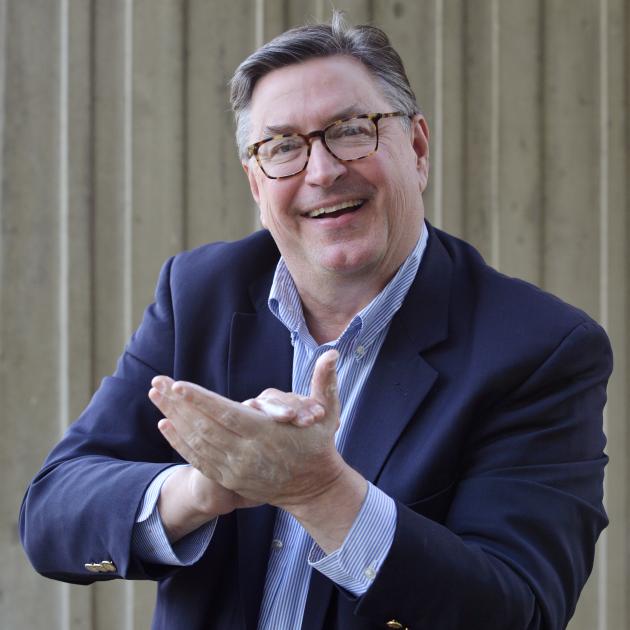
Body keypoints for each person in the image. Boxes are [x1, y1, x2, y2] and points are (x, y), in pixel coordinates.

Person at [20, 13, 611, 630]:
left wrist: (320, 492)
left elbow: (518, 611)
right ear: (256, 182)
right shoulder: (201, 293)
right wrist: (200, 490)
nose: (322, 171)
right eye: (283, 148)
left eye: (351, 131)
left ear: (416, 148)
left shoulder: (540, 349)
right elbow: (52, 516)